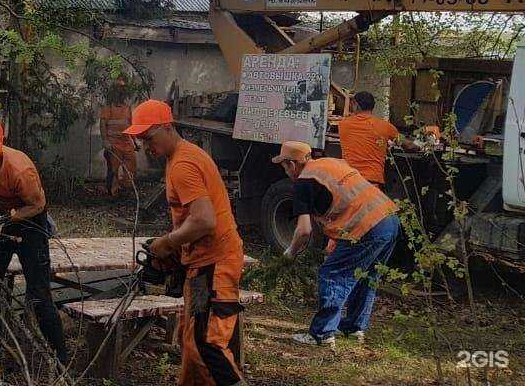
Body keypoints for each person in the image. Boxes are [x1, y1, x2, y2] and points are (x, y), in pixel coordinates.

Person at [126, 100, 247, 386]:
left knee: (207, 344)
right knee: (191, 340)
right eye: (140, 141)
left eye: (149, 138)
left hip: (215, 264)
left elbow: (204, 220)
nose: (146, 146)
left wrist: (167, 242)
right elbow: (191, 219)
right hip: (204, 262)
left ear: (168, 127)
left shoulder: (183, 164)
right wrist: (175, 251)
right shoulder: (182, 157)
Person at [0, 116, 69, 364]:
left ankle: (61, 362)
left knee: (39, 294)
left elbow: (38, 204)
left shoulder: (20, 169)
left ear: (1, 145)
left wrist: (8, 221)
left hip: (30, 219)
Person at [273, 140, 400, 346]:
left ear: (292, 164)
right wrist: (336, 240)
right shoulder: (330, 163)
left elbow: (304, 231)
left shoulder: (304, 183)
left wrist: (289, 254)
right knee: (366, 276)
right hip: (389, 219)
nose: (285, 171)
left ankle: (321, 334)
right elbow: (344, 201)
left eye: (284, 166)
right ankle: (353, 328)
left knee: (332, 274)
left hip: (367, 227)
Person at [337, 91, 412, 186]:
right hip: (372, 183)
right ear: (373, 106)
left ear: (356, 105)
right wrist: (421, 146)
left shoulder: (343, 125)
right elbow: (408, 145)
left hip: (349, 181)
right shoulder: (385, 126)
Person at [100, 100, 138, 196]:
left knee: (131, 168)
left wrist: (135, 140)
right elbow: (103, 123)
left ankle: (127, 191)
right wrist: (105, 141)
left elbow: (131, 125)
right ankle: (113, 194)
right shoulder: (108, 107)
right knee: (113, 170)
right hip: (113, 144)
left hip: (127, 143)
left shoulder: (127, 107)